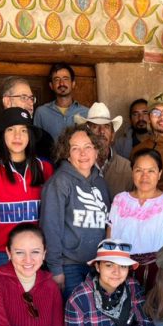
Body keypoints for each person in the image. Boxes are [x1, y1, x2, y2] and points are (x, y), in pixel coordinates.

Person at [0, 107, 53, 277]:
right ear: (2, 135)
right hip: (3, 254)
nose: (17, 136)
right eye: (11, 130)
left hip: (38, 254)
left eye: (23, 130)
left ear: (30, 135)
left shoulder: (45, 168)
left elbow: (55, 217)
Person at [40, 124, 110, 299]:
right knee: (75, 315)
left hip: (97, 265)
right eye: (75, 149)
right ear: (67, 155)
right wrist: (56, 269)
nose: (83, 154)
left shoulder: (100, 183)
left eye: (88, 147)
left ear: (96, 152)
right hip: (69, 266)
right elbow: (51, 228)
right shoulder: (60, 182)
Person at [107, 148, 163, 290]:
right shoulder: (120, 200)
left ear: (159, 174)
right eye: (139, 170)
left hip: (157, 273)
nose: (145, 176)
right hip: (121, 271)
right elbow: (109, 244)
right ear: (132, 172)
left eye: (151, 171)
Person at [0, 76, 54, 174]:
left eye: (31, 98)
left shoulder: (44, 138)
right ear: (7, 101)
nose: (30, 103)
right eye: (23, 98)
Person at [75, 102, 132, 199]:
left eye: (106, 126)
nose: (101, 131)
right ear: (86, 134)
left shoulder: (127, 168)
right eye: (95, 126)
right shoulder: (76, 166)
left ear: (112, 135)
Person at [33, 62, 89, 143]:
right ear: (51, 85)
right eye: (57, 79)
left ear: (73, 84)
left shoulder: (86, 112)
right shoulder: (41, 112)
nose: (61, 83)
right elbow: (36, 143)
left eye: (65, 79)